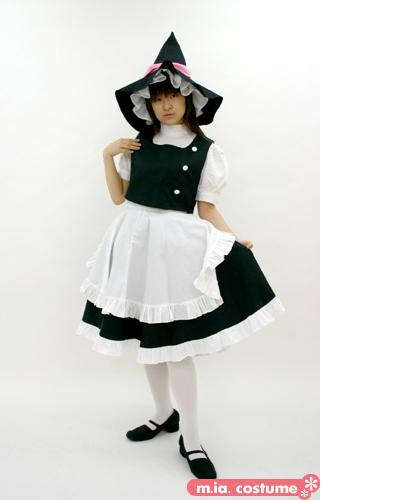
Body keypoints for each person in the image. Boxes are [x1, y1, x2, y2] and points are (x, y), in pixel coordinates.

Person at [75, 32, 285, 479]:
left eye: (173, 96)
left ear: (189, 99)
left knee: (176, 347)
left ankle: (191, 438)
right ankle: (162, 413)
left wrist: (233, 239)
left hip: (173, 249)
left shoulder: (206, 151)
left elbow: (206, 208)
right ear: (147, 104)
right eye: (158, 98)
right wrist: (106, 155)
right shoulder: (136, 145)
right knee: (150, 343)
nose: (165, 104)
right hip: (134, 243)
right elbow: (119, 198)